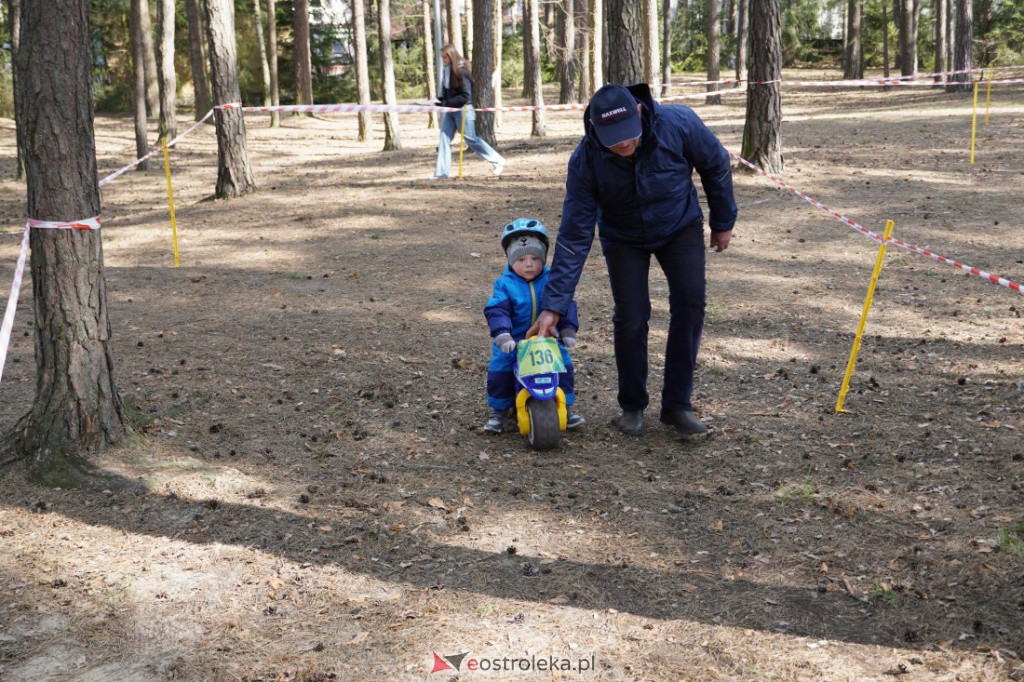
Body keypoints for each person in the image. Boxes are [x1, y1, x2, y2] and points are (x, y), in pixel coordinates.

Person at [527, 83, 737, 438]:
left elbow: (716, 164)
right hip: (623, 238)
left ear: (639, 114)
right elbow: (575, 235)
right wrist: (554, 306)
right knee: (632, 315)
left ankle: (677, 406)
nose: (623, 145)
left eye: (627, 136)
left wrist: (723, 222)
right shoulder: (585, 160)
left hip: (679, 225)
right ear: (594, 128)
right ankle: (632, 406)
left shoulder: (678, 123)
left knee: (690, 302)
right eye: (613, 139)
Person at [483, 219, 584, 433]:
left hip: (547, 339)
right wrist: (503, 334)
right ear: (510, 261)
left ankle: (565, 404)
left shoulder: (552, 280)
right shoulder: (504, 284)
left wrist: (567, 329)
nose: (529, 264)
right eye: (521, 259)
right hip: (516, 341)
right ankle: (498, 410)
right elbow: (497, 310)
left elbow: (565, 304)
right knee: (501, 367)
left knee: (562, 364)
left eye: (535, 258)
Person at [432, 45, 506, 180]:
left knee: (471, 140)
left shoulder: (462, 72)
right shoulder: (447, 71)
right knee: (443, 138)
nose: (443, 59)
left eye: (444, 57)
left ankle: (498, 160)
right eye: (442, 57)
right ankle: (441, 173)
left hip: (464, 110)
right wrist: (438, 101)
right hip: (450, 111)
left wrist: (446, 103)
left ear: (451, 56)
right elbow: (447, 94)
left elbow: (465, 96)